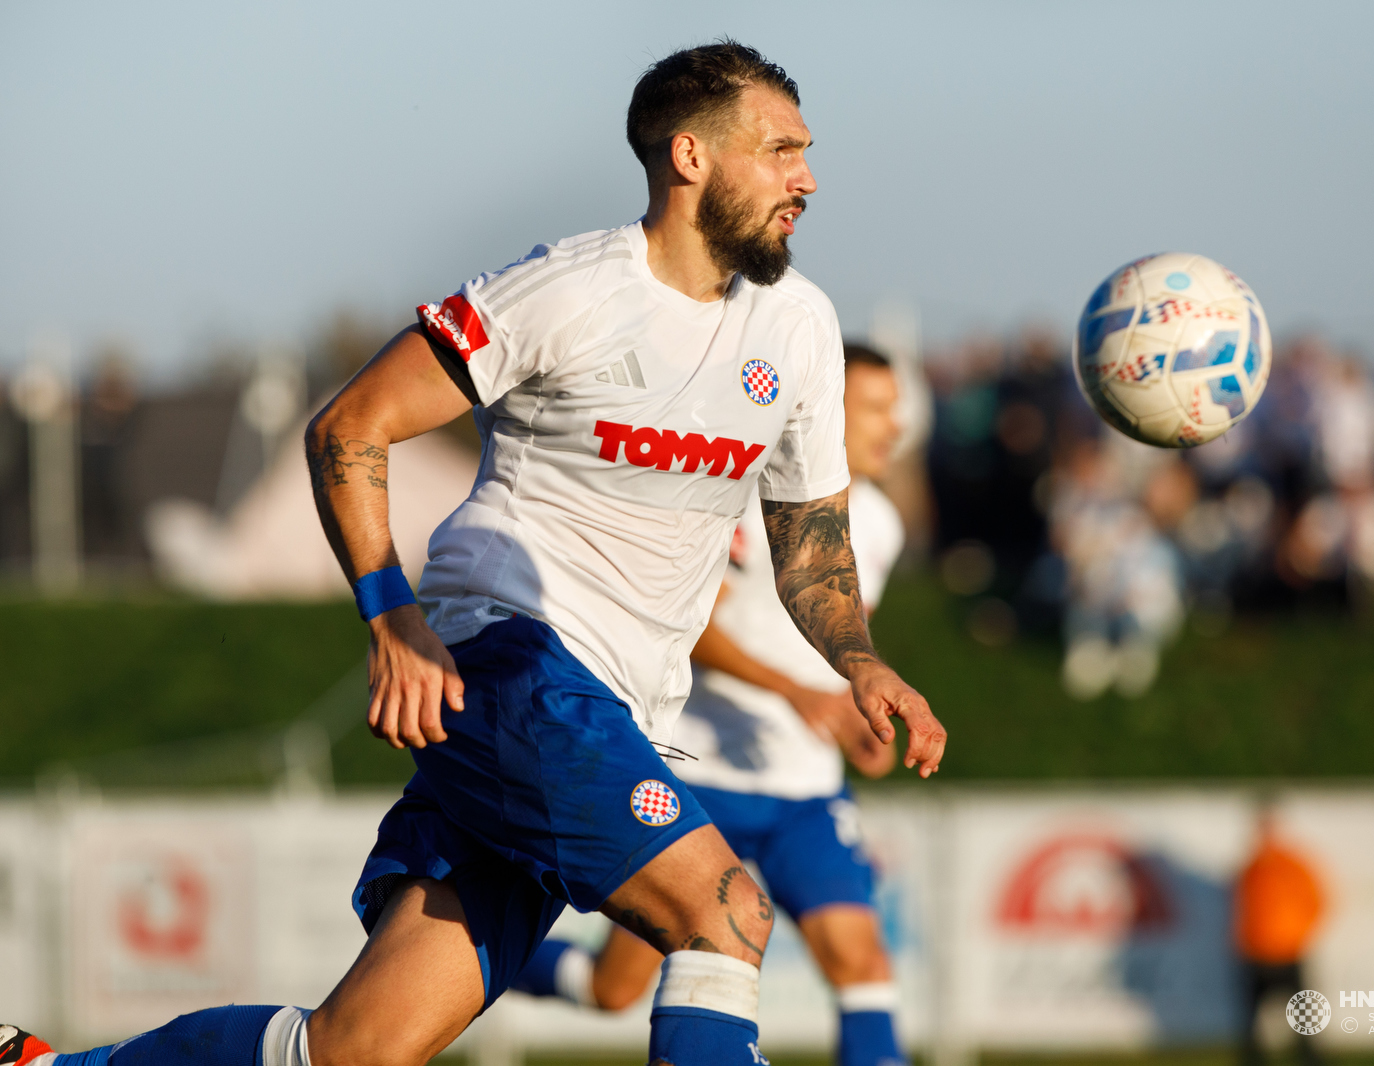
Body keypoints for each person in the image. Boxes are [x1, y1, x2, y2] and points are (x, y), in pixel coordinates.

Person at [4, 41, 946, 1066]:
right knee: (725, 913)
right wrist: (393, 619)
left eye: (804, 152)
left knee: (356, 1050)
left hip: (620, 702)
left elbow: (809, 540)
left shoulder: (800, 326)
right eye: (779, 151)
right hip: (513, 662)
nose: (805, 177)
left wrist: (857, 658)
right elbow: (350, 425)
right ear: (689, 157)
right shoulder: (568, 290)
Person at [513, 344, 910, 1066]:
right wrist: (794, 693)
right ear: (827, 414)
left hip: (805, 794)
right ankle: (489, 958)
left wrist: (858, 710)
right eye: (877, 408)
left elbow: (834, 638)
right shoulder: (749, 501)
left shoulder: (881, 524)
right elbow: (694, 624)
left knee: (863, 966)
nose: (897, 427)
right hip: (702, 776)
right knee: (613, 989)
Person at [1234, 807, 1326, 1066]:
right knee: (1250, 1025)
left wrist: (1295, 935)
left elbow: (1317, 902)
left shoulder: (1293, 865)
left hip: (1288, 954)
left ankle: (1313, 1060)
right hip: (1255, 955)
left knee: (1304, 1019)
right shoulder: (1251, 868)